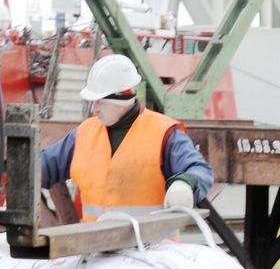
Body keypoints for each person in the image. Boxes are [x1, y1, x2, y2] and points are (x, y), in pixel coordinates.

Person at [41, 54, 213, 221]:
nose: (94, 108)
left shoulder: (164, 133)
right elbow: (43, 166)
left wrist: (185, 184)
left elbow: (199, 169)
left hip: (150, 240)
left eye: (99, 101)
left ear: (121, 99)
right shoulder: (83, 134)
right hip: (96, 240)